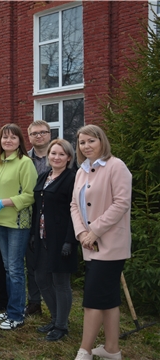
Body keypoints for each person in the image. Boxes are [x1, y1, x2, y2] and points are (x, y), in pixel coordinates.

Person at [71, 125, 132, 360]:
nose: (86, 146)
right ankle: (112, 349)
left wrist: (94, 231)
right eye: (82, 142)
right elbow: (75, 205)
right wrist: (81, 234)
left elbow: (121, 203)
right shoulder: (81, 171)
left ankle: (84, 351)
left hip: (111, 245)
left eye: (90, 141)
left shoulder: (116, 166)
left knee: (93, 300)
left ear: (101, 141)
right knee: (108, 299)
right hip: (89, 244)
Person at [0, 123, 37, 330]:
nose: (8, 141)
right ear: (0, 141)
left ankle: (17, 315)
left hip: (17, 222)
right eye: (5, 137)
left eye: (13, 137)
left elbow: (30, 195)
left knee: (15, 269)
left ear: (20, 141)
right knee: (7, 268)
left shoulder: (25, 163)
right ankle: (11, 307)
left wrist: (2, 203)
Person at [31, 139, 77, 341]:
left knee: (60, 282)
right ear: (48, 155)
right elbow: (37, 208)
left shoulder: (72, 178)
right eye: (53, 153)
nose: (56, 157)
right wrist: (33, 234)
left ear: (68, 157)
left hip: (61, 238)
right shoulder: (44, 176)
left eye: (61, 154)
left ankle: (61, 326)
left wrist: (70, 240)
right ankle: (55, 317)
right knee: (41, 278)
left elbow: (75, 211)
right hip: (41, 237)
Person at [25, 120, 52, 316]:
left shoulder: (61, 156)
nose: (39, 136)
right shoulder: (25, 160)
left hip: (55, 215)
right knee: (31, 261)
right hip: (31, 214)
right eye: (35, 133)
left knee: (52, 263)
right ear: (29, 137)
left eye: (43, 132)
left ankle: (55, 306)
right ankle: (34, 302)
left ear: (49, 134)